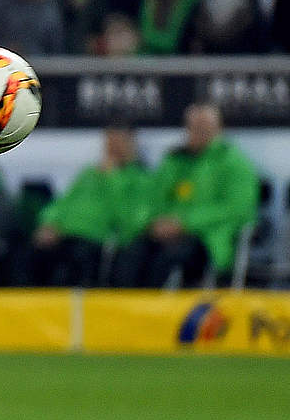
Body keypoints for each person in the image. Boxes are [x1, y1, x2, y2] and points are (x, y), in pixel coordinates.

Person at [111, 103, 258, 288]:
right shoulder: (174, 160)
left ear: (219, 129)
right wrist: (155, 222)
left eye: (205, 127)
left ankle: (157, 312)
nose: (198, 132)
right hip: (165, 231)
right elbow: (155, 198)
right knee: (131, 253)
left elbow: (238, 210)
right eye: (194, 127)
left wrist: (184, 222)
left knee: (168, 257)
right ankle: (126, 312)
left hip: (207, 237)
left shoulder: (235, 163)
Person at [29, 124, 151, 287]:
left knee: (77, 258)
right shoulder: (89, 173)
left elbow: (126, 218)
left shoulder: (139, 179)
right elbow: (62, 203)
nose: (112, 147)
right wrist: (49, 223)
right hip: (63, 235)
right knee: (29, 254)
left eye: (118, 142)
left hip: (94, 240)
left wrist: (112, 177)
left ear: (131, 145)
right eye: (109, 141)